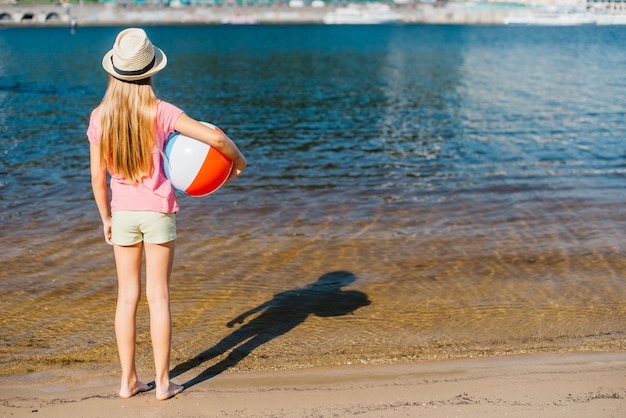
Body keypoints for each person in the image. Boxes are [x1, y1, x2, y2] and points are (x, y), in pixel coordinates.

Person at [88, 28, 246, 400]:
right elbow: (217, 140)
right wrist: (237, 163)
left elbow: (97, 177)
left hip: (123, 213)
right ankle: (162, 383)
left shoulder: (100, 116)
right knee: (158, 296)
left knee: (127, 298)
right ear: (150, 72)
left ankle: (127, 381)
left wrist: (106, 218)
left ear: (114, 72)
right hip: (158, 211)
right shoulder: (161, 112)